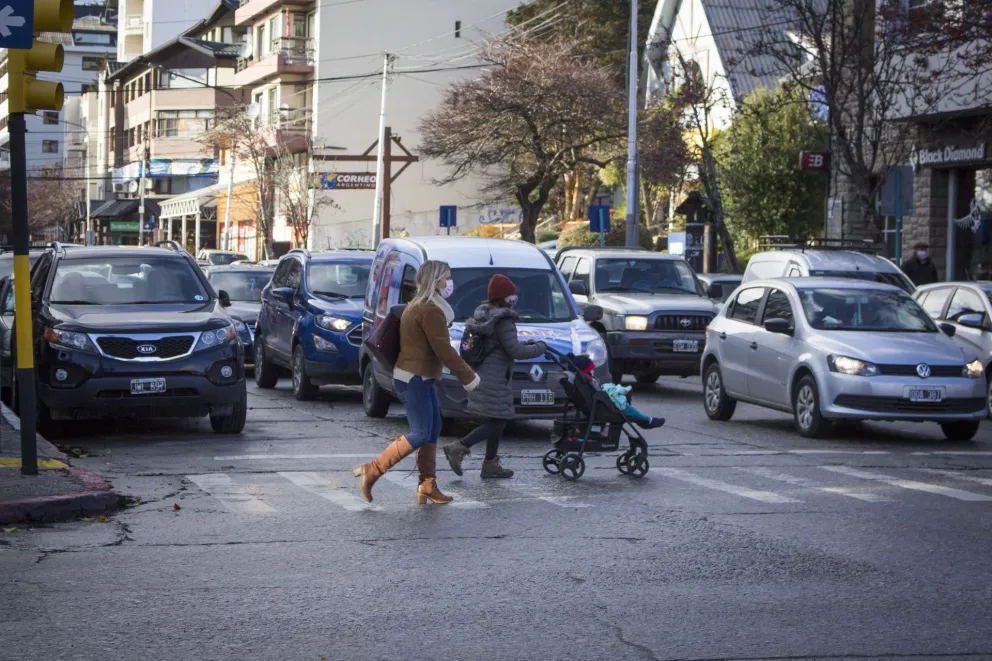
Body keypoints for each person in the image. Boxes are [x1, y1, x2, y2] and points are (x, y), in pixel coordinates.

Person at [353, 260, 480, 504]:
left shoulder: (421, 306)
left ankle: (428, 485)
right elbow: (443, 350)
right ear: (435, 281)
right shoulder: (430, 310)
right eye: (446, 278)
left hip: (417, 376)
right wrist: (469, 377)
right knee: (421, 432)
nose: (449, 283)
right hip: (414, 379)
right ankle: (374, 469)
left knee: (432, 429)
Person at [443, 274, 547, 479]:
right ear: (504, 297)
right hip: (495, 378)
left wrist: (524, 345)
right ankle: (459, 447)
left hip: (483, 374)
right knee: (498, 420)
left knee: (498, 419)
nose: (514, 297)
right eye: (511, 294)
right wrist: (540, 347)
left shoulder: (484, 315)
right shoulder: (504, 319)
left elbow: (502, 346)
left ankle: (490, 463)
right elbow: (515, 351)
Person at [571, 355, 665, 429]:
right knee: (628, 409)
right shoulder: (589, 380)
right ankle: (647, 420)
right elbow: (598, 391)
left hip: (598, 404)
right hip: (605, 406)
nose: (593, 371)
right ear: (586, 370)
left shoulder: (581, 379)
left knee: (628, 407)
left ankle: (645, 421)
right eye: (591, 369)